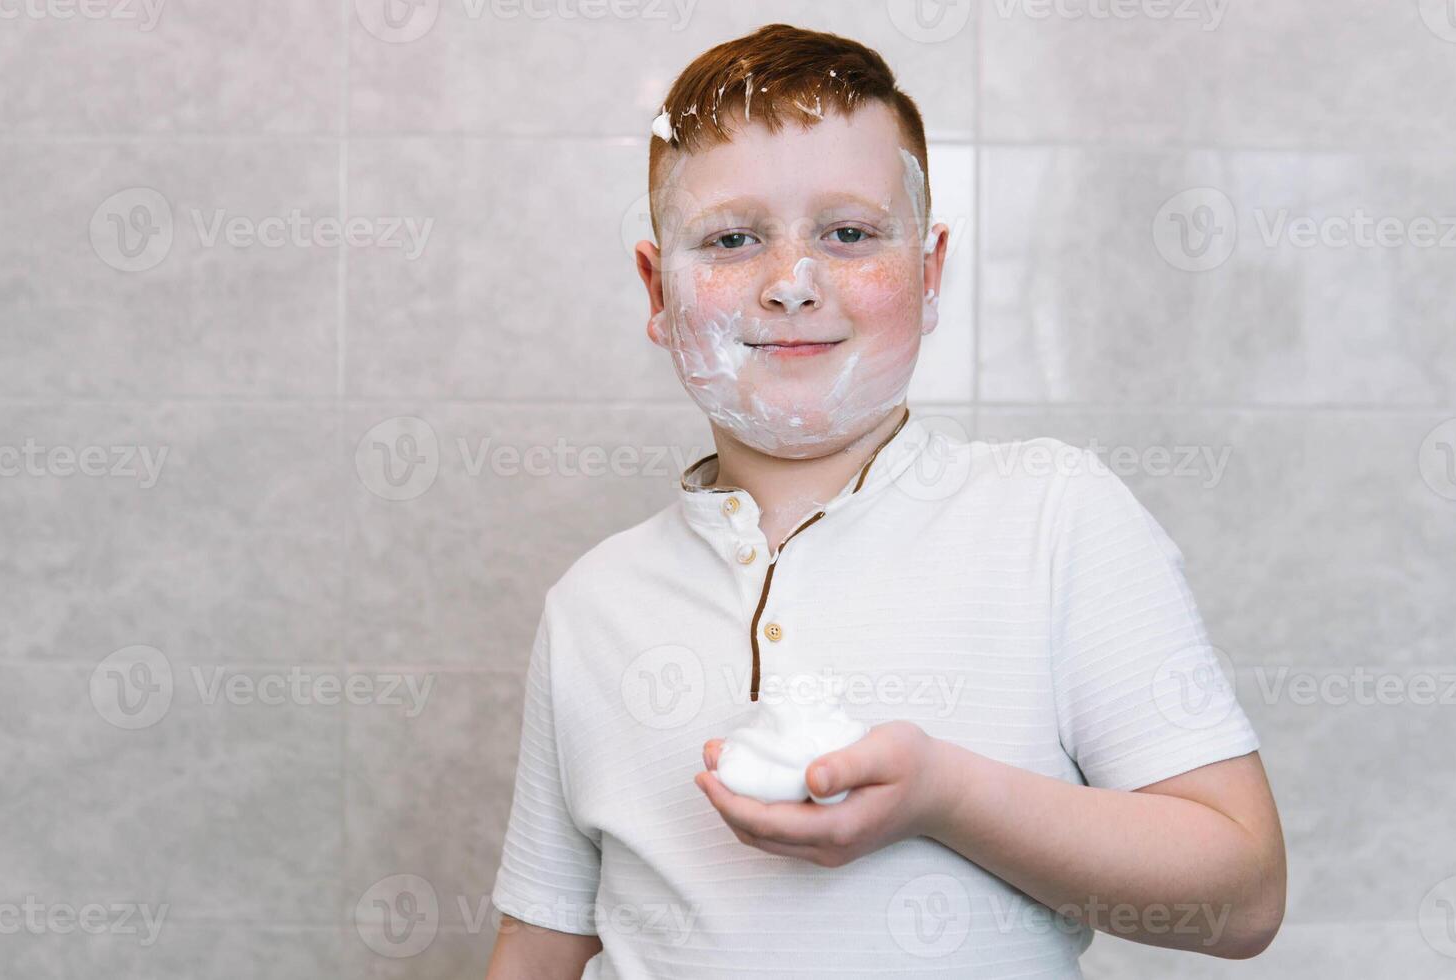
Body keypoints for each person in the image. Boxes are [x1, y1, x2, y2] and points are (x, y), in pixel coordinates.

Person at [486, 22, 1285, 980]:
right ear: (659, 291)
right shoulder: (593, 604)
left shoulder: (1052, 519)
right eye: (733, 239)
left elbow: (1242, 901)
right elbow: (539, 947)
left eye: (850, 234)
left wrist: (944, 795)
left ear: (931, 270)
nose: (792, 284)